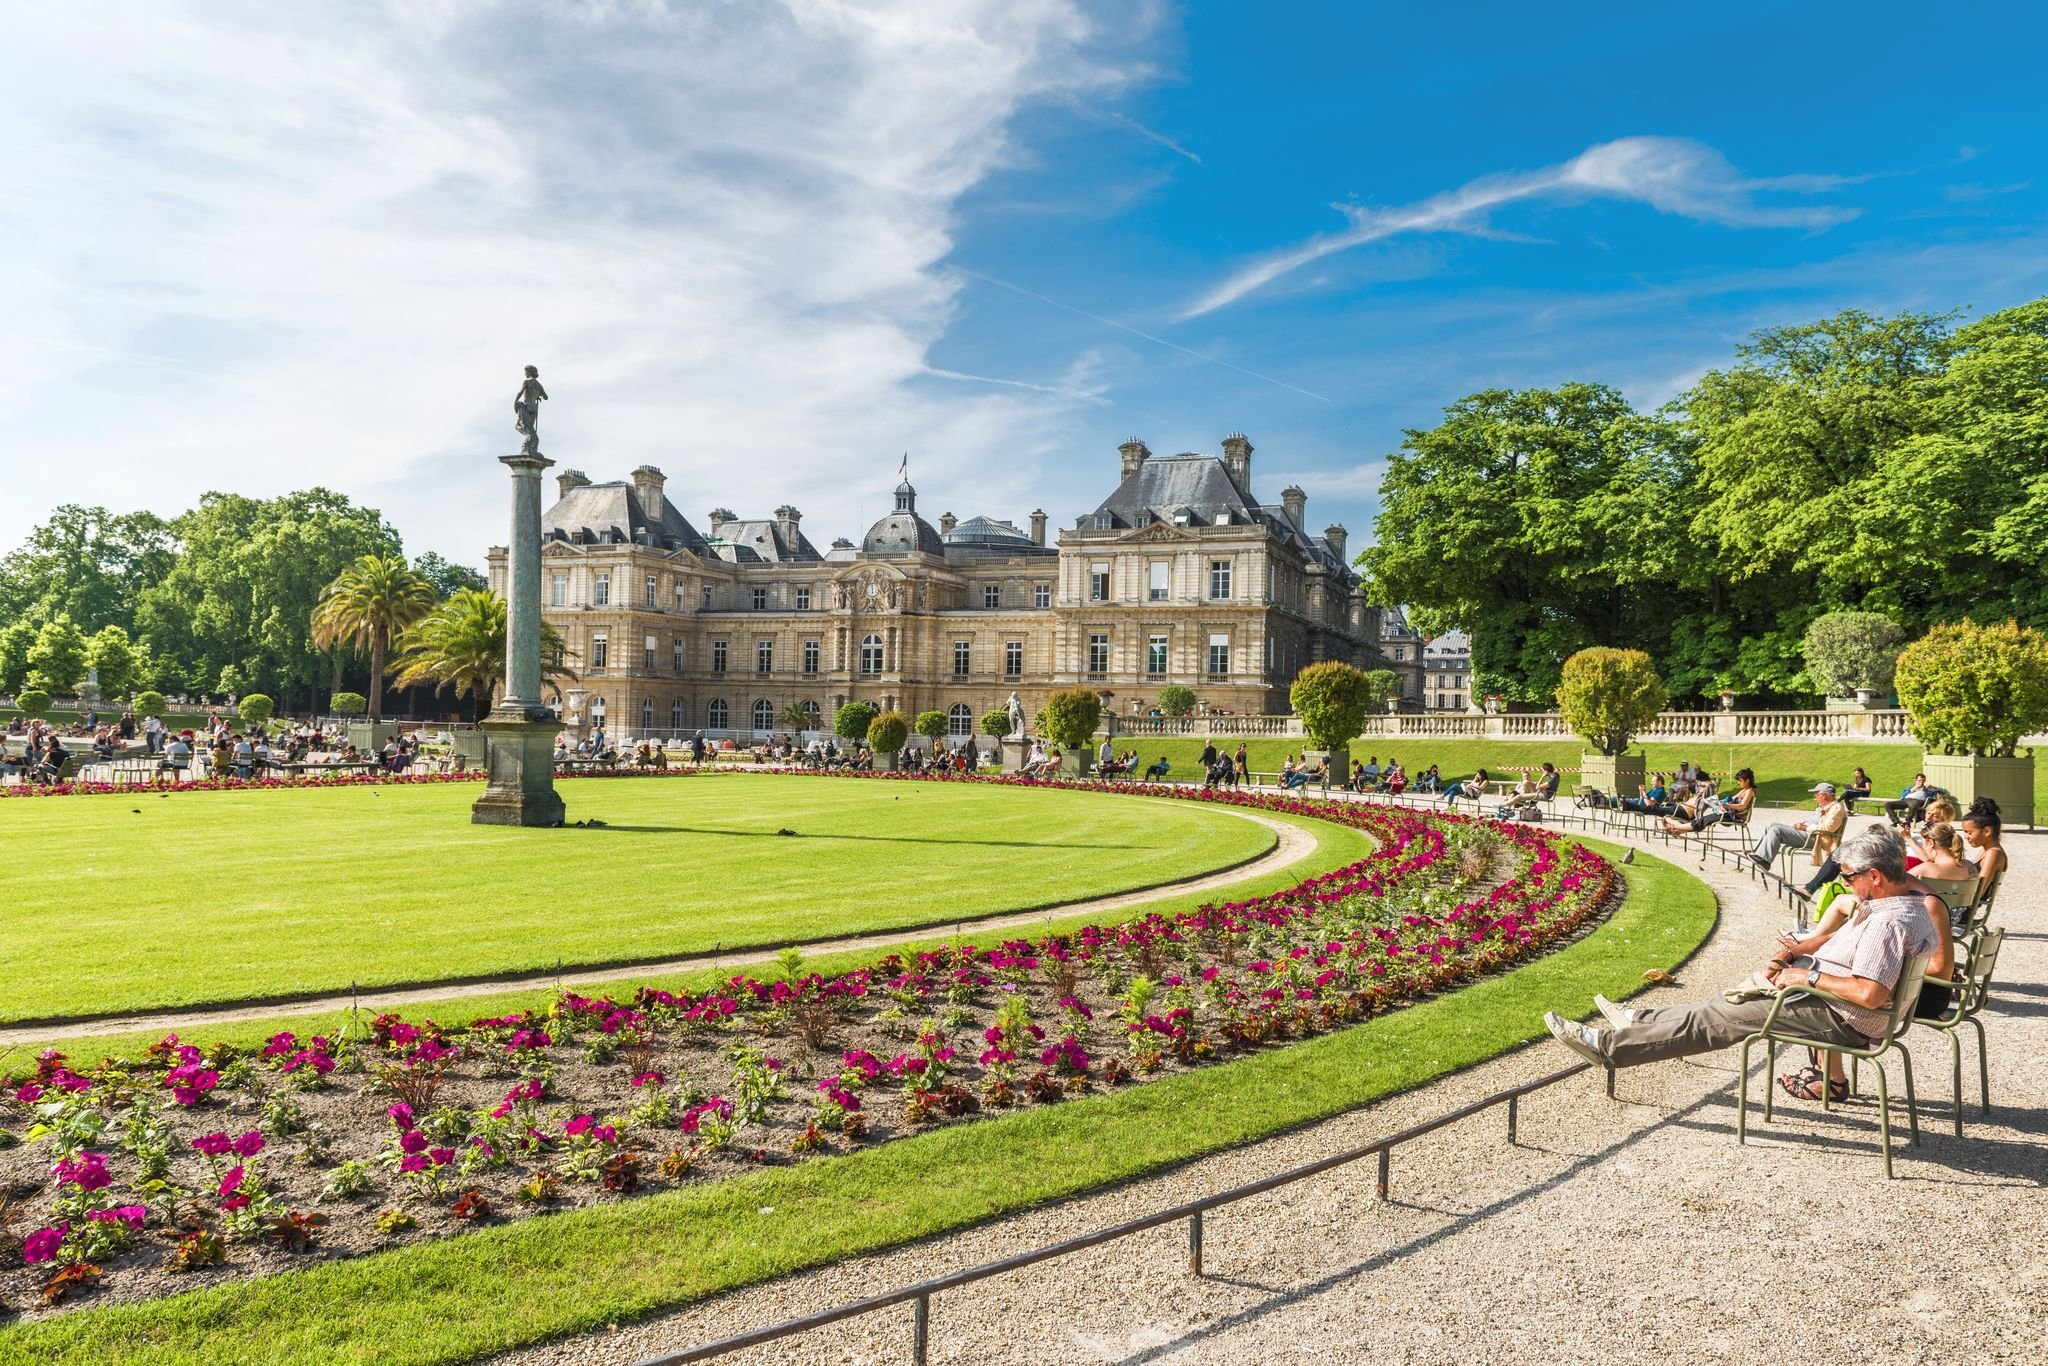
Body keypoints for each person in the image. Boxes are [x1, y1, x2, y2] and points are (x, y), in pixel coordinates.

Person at [1545, 826, 1940, 1100]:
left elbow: (1870, 993)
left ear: (1875, 876)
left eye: (1849, 876)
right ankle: (1640, 1021)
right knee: (1725, 1004)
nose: (1844, 883)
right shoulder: (1900, 904)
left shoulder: (1888, 921)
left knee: (1721, 1020)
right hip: (1836, 1007)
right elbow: (1848, 949)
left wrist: (1806, 975)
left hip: (1842, 1017)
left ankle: (1606, 1046)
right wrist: (1797, 956)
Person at [1748, 782, 1846, 872]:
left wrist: (1805, 828)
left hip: (1817, 839)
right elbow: (1813, 821)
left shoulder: (1836, 809)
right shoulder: (1823, 807)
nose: (1814, 797)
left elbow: (1828, 828)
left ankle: (1765, 861)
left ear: (1823, 796)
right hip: (1809, 834)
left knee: (1776, 830)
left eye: (1816, 795)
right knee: (1771, 825)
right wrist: (1801, 824)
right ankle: (1758, 854)